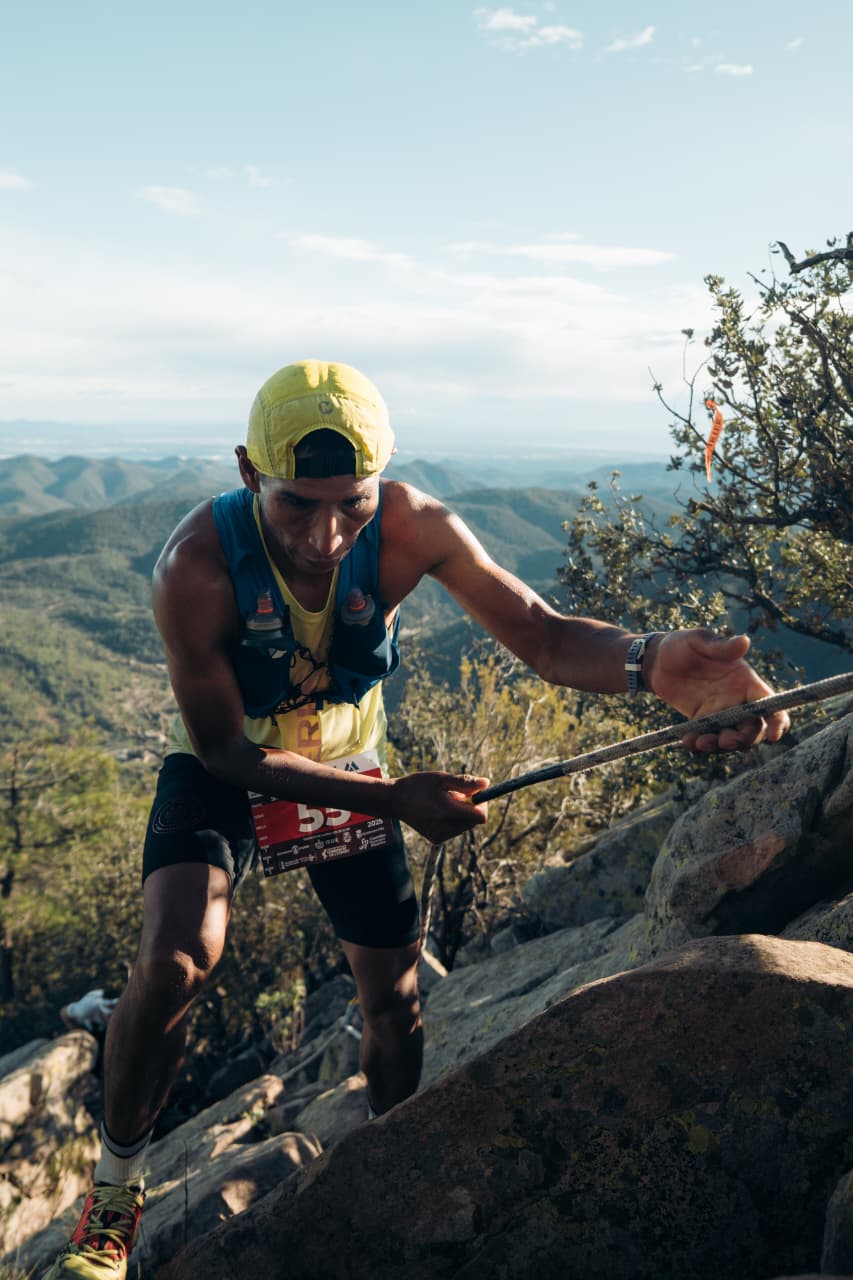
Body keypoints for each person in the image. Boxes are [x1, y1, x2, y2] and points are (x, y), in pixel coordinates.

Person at [42, 359, 789, 1278]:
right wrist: (394, 800)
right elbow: (226, 751)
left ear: (381, 478)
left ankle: (389, 1157)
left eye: (351, 503)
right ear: (247, 472)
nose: (325, 535)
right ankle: (114, 1199)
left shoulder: (414, 527)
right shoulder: (194, 566)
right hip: (231, 764)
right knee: (174, 959)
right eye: (295, 505)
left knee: (394, 1006)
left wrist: (653, 662)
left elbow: (544, 635)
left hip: (351, 766)